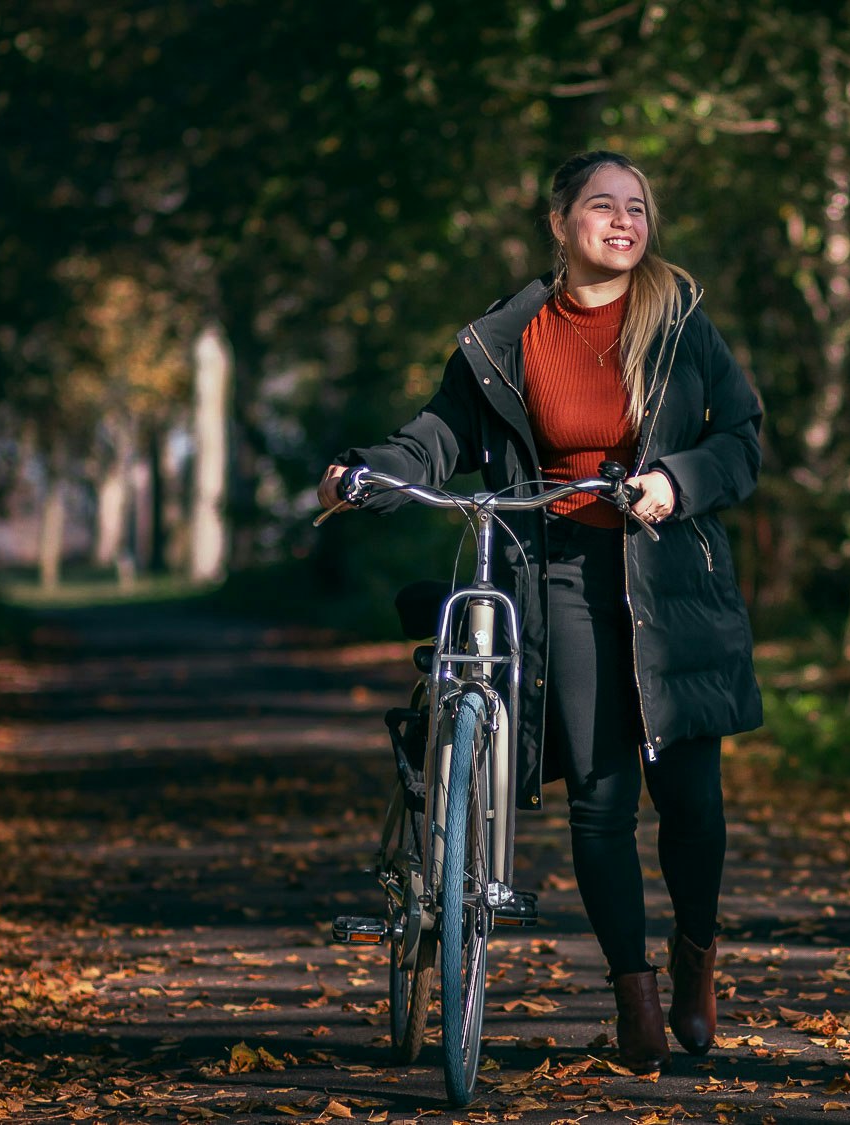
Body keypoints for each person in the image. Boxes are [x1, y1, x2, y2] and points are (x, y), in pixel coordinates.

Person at [316, 150, 763, 1073]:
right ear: (559, 221)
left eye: (637, 208)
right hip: (556, 570)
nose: (624, 222)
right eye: (603, 206)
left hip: (671, 576)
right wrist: (365, 474)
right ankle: (633, 993)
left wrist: (677, 481)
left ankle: (694, 955)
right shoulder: (502, 338)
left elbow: (741, 439)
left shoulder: (680, 326)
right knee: (601, 799)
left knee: (691, 802)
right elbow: (436, 437)